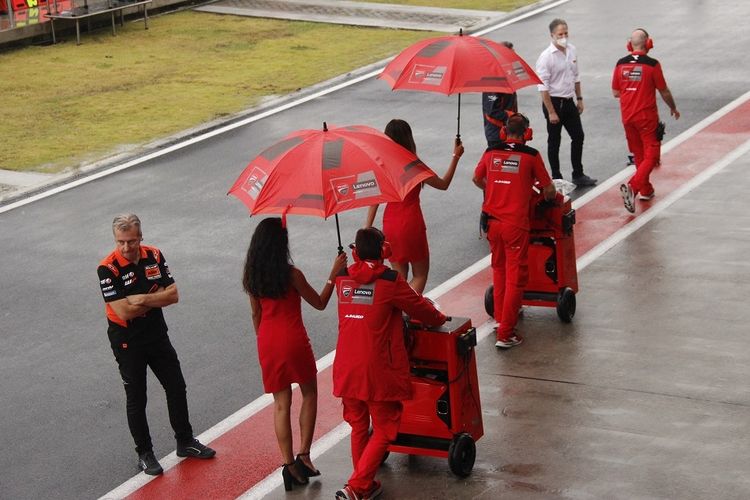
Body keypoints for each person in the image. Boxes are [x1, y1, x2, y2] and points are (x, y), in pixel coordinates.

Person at [333, 227, 447, 500]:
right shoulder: (389, 280)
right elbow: (421, 309)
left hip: (347, 369)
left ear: (354, 252)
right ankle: (358, 485)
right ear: (385, 251)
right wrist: (440, 318)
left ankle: (364, 483)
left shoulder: (342, 279)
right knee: (384, 427)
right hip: (378, 370)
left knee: (359, 426)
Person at [97, 214, 215, 476]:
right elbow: (124, 311)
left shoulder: (154, 255)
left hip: (156, 333)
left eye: (131, 241)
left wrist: (140, 299)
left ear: (141, 237)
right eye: (120, 242)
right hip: (127, 340)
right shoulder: (107, 268)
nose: (126, 248)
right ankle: (144, 453)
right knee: (137, 397)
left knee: (176, 385)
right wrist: (152, 298)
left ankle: (185, 441)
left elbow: (173, 296)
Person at [242, 217, 347, 491]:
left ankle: (288, 466)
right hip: (293, 339)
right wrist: (333, 274)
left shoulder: (251, 276)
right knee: (309, 392)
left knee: (280, 404)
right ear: (281, 245)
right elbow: (321, 303)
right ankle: (304, 455)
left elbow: (256, 314)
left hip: (267, 340)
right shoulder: (292, 275)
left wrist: (263, 339)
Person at [472, 114, 556, 349]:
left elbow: (476, 178)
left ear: (503, 132)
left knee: (499, 271)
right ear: (526, 133)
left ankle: (501, 320)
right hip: (515, 226)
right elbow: (549, 190)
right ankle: (506, 333)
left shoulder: (490, 153)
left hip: (491, 223)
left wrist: (494, 190)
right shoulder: (531, 156)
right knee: (516, 277)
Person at [365, 119, 464, 294]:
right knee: (420, 274)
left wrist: (367, 227)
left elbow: (375, 199)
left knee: (399, 276)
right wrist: (455, 156)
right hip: (411, 222)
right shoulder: (414, 165)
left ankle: (397, 312)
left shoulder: (382, 165)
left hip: (390, 223)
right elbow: (444, 184)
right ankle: (407, 310)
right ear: (409, 138)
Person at [612, 28, 680, 213]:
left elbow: (616, 92)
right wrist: (673, 107)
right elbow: (663, 90)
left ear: (629, 45)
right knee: (652, 155)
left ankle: (646, 190)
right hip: (646, 117)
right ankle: (633, 187)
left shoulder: (620, 64)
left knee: (639, 155)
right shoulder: (652, 64)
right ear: (648, 44)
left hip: (627, 117)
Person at [535, 18, 597, 186]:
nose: (563, 37)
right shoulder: (546, 57)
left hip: (569, 101)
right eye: (560, 34)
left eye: (566, 33)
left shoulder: (571, 50)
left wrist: (580, 98)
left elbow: (576, 76)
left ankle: (578, 173)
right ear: (552, 35)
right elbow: (543, 87)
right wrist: (551, 111)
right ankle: (556, 177)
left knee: (578, 136)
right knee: (554, 140)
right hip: (554, 102)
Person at [482, 41, 518, 148]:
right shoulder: (493, 79)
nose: (514, 57)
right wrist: (512, 116)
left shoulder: (507, 74)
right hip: (497, 135)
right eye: (511, 55)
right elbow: (492, 111)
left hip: (509, 132)